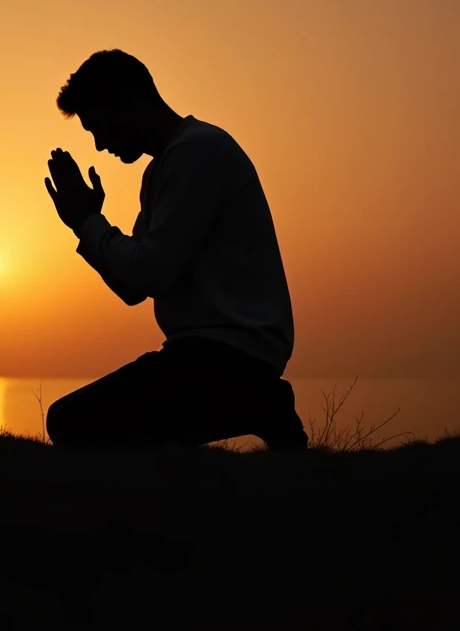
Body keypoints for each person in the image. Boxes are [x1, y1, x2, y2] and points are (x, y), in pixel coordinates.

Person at [44, 49, 308, 451]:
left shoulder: (196, 152)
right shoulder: (166, 166)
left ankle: (260, 402)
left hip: (226, 358)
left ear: (129, 102)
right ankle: (256, 404)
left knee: (71, 422)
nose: (99, 145)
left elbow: (152, 272)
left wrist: (90, 223)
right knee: (96, 428)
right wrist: (85, 224)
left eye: (99, 127)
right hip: (205, 356)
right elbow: (133, 289)